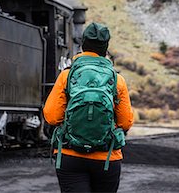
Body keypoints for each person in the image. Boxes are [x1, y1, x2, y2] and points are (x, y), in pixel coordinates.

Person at [43, 22, 134, 193]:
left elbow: (51, 116)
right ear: (105, 48)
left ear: (83, 45)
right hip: (106, 158)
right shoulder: (117, 80)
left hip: (71, 156)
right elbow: (126, 122)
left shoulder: (67, 76)